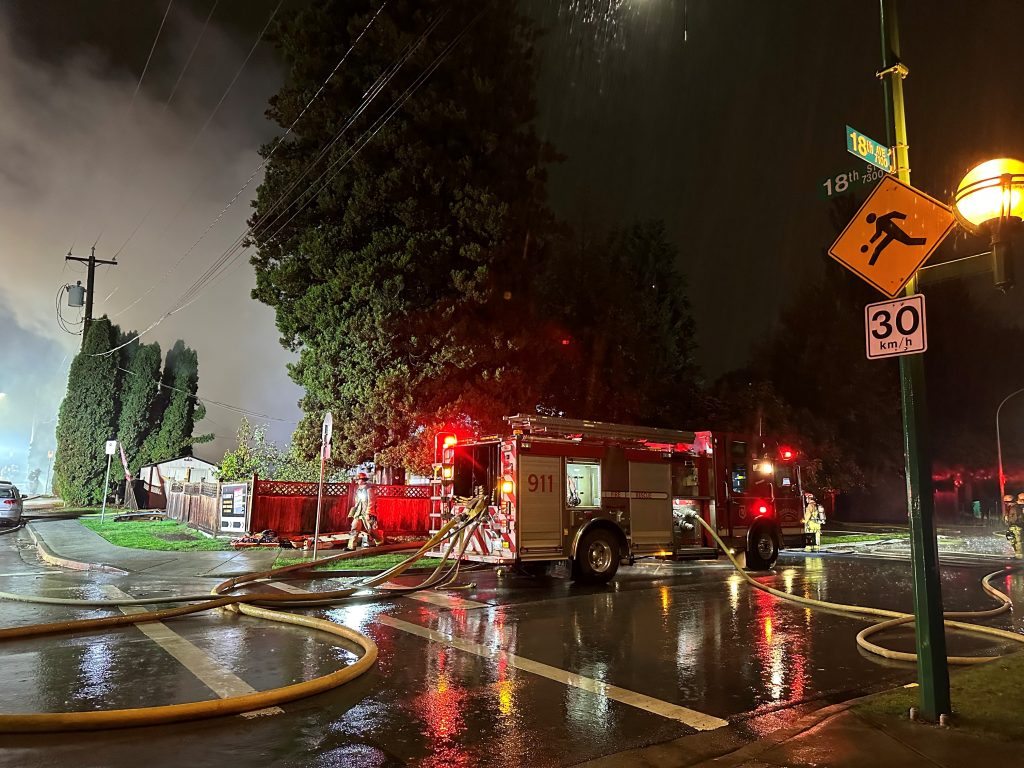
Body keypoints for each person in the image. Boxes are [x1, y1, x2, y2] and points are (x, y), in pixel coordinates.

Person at [347, 472, 382, 550]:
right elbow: (357, 502)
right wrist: (353, 512)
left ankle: (379, 542)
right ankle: (351, 546)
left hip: (367, 513)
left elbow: (371, 501)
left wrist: (369, 513)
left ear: (362, 480)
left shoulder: (369, 489)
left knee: (371, 530)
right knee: (354, 528)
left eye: (358, 479)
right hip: (358, 513)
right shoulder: (358, 490)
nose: (357, 481)